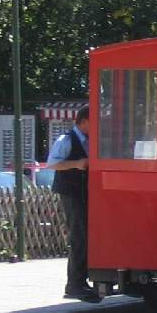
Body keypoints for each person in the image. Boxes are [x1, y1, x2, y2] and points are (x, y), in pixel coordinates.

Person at [48, 105, 100, 302]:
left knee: (86, 235)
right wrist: (76, 164)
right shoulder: (66, 139)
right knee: (78, 235)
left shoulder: (88, 140)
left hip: (84, 192)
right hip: (71, 192)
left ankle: (82, 280)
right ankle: (74, 283)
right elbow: (52, 163)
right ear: (84, 120)